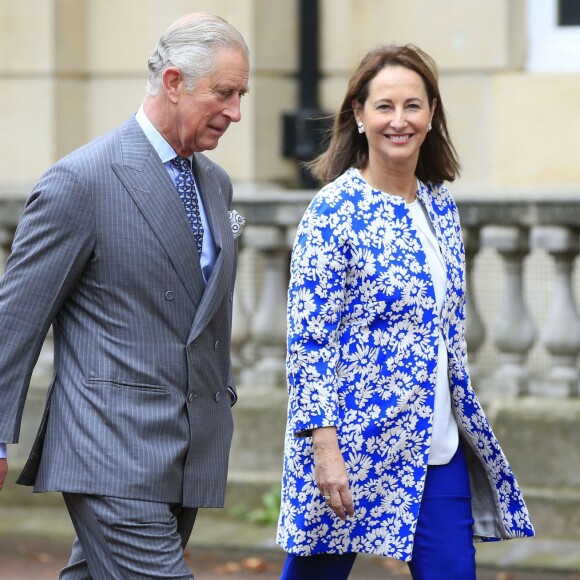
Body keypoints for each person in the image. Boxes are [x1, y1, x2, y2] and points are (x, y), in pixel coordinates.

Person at [0, 12, 249, 579]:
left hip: (186, 450)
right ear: (173, 83)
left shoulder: (216, 184)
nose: (236, 111)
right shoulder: (80, 181)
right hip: (108, 451)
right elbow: (14, 321)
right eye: (224, 93)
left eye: (242, 94)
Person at [276, 44, 534, 579]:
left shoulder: (440, 205)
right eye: (384, 106)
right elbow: (309, 341)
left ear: (432, 113)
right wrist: (324, 449)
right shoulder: (332, 212)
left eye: (413, 106)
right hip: (351, 448)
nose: (399, 121)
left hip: (435, 447)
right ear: (359, 114)